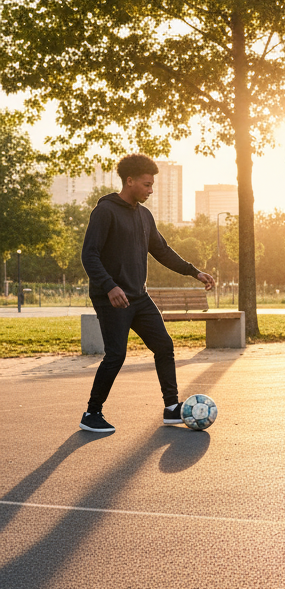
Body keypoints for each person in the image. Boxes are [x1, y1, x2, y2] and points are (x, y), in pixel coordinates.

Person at [79, 154, 215, 434]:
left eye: (152, 185)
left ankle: (171, 407)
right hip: (112, 298)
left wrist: (194, 272)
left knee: (164, 346)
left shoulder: (144, 215)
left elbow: (162, 251)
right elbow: (89, 255)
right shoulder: (105, 211)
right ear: (129, 181)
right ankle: (92, 413)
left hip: (139, 297)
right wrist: (109, 286)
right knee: (116, 355)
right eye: (147, 184)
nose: (151, 190)